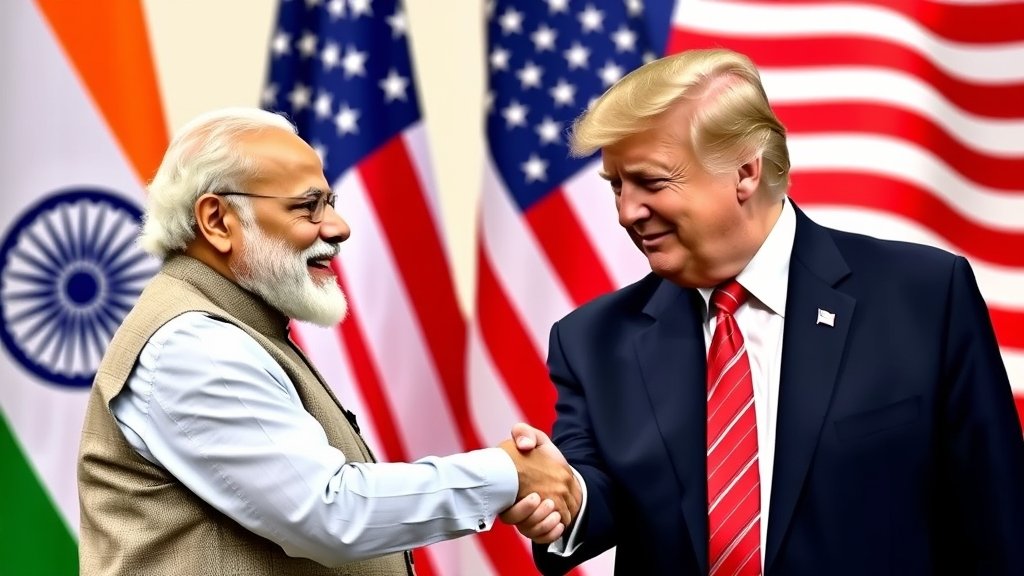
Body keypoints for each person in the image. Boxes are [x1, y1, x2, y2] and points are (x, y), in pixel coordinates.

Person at [510, 48, 1024, 575]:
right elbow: (592, 489)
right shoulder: (591, 340)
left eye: (652, 182)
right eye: (617, 185)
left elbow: (999, 527)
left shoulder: (924, 297)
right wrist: (562, 496)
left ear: (745, 172)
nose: (626, 211)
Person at [76, 107, 578, 576]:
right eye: (308, 206)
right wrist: (506, 474)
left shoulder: (232, 323)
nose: (338, 228)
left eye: (329, 203)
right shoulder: (194, 346)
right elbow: (332, 512)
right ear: (216, 221)